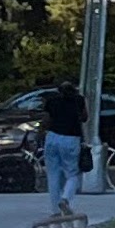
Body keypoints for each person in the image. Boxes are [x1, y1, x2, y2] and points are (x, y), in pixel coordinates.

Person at [38, 78, 94, 215]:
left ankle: (55, 210)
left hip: (52, 137)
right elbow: (85, 118)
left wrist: (40, 133)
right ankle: (66, 199)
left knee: (53, 174)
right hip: (71, 139)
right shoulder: (79, 100)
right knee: (73, 173)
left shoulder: (52, 101)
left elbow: (46, 120)